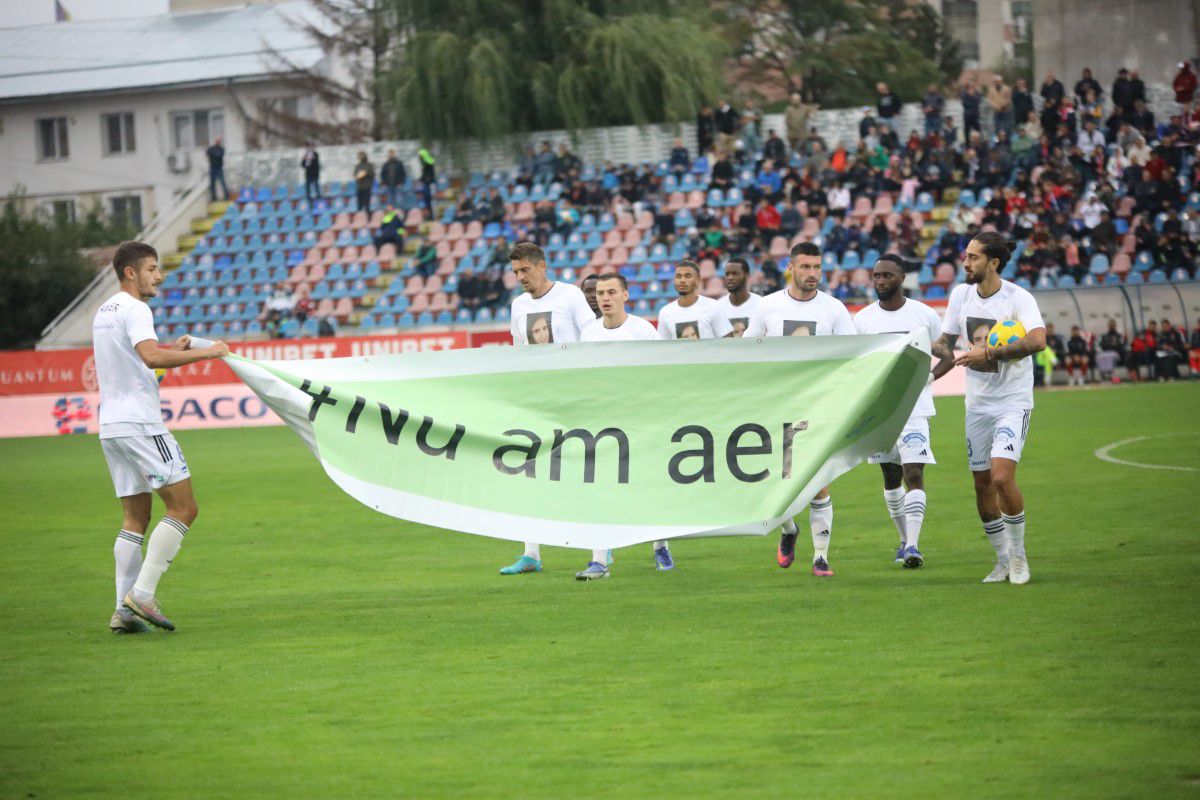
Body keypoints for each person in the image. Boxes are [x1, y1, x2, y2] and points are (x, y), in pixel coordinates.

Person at [93, 241, 229, 632]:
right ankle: (144, 594)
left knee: (135, 516)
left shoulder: (104, 311)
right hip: (141, 425)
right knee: (185, 508)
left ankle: (122, 610)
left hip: (112, 426)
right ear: (130, 272)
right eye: (152, 268)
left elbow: (139, 367)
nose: (159, 275)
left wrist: (173, 351)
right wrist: (207, 354)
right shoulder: (137, 308)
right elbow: (150, 357)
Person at [929, 232, 1046, 585]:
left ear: (993, 263)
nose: (965, 263)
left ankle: (1019, 556)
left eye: (973, 257)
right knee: (981, 484)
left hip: (1012, 402)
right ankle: (1001, 560)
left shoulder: (1017, 298)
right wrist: (919, 355)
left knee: (1001, 477)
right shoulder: (960, 295)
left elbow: (1038, 341)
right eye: (966, 256)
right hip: (977, 405)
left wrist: (990, 353)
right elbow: (947, 347)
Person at [745, 242, 855, 577]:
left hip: (819, 407)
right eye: (805, 267)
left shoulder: (834, 309)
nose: (812, 274)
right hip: (776, 405)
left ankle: (821, 557)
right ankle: (788, 529)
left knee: (818, 480)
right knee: (773, 480)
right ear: (791, 268)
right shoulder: (767, 307)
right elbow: (748, 351)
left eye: (817, 268)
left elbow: (853, 356)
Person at [500, 242, 596, 577]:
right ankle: (531, 554)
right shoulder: (518, 305)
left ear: (542, 266)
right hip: (537, 401)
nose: (520, 277)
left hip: (573, 398)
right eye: (515, 272)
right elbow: (518, 352)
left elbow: (592, 338)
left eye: (525, 269)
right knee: (529, 471)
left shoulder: (570, 296)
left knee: (586, 472)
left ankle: (600, 550)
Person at [853, 255, 954, 568]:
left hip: (914, 409)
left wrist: (930, 377)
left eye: (886, 275)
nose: (880, 281)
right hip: (881, 410)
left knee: (914, 472)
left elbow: (948, 355)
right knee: (891, 475)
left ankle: (913, 546)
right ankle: (902, 539)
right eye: (876, 276)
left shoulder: (923, 315)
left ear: (901, 278)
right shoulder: (863, 320)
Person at [575, 273, 666, 578]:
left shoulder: (642, 331)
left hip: (640, 420)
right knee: (598, 488)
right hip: (602, 422)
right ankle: (599, 560)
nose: (605, 297)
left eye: (612, 291)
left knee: (650, 487)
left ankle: (660, 546)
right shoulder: (588, 333)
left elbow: (661, 375)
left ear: (626, 295)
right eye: (601, 292)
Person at [657, 261, 734, 340]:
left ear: (698, 280)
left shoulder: (713, 306)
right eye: (678, 276)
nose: (682, 280)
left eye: (687, 276)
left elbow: (729, 342)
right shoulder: (665, 312)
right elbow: (663, 347)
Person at [715, 258, 761, 337]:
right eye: (727, 274)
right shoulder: (717, 307)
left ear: (747, 276)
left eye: (735, 274)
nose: (730, 278)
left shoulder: (761, 304)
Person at [206, 136, 228, 202]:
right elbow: (208, 153)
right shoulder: (211, 148)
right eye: (217, 140)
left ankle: (226, 196)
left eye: (219, 140)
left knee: (222, 182)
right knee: (212, 184)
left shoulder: (221, 149)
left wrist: (213, 155)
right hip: (212, 168)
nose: (218, 141)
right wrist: (213, 155)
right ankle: (214, 198)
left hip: (219, 168)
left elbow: (219, 155)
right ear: (215, 141)